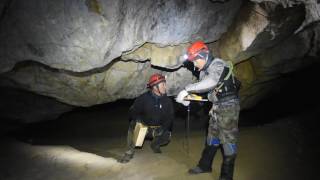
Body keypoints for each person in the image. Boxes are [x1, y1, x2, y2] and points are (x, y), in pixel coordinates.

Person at [176, 41, 241, 180]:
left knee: (228, 142)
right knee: (212, 138)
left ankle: (226, 177)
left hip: (229, 106)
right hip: (216, 106)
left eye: (194, 61)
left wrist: (187, 88)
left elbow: (212, 82)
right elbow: (205, 94)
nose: (194, 65)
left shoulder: (217, 64)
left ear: (202, 56)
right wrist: (189, 101)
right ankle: (205, 165)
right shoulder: (204, 72)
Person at [118, 73, 174, 163]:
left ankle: (155, 145)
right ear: (155, 87)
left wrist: (164, 128)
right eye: (162, 84)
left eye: (165, 84)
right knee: (133, 125)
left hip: (157, 128)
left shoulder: (167, 101)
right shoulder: (143, 99)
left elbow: (170, 118)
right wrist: (138, 119)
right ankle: (129, 151)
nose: (165, 87)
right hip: (144, 127)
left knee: (167, 135)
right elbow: (132, 112)